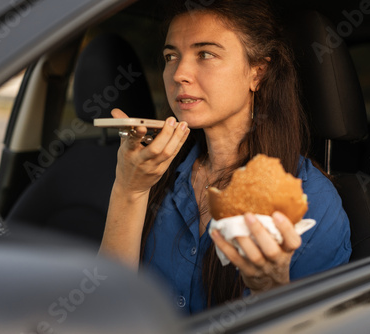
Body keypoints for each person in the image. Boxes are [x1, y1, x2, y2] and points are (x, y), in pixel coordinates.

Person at [99, 0, 351, 314]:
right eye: (170, 56)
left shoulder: (311, 201)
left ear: (257, 73)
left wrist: (271, 289)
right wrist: (129, 191)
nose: (179, 73)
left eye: (206, 54)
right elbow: (106, 308)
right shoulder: (151, 171)